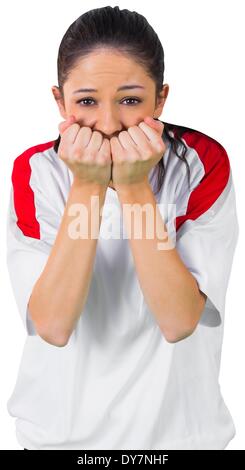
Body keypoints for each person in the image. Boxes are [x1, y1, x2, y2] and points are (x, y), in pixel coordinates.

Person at [6, 6, 239, 450]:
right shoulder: (35, 172)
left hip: (182, 437)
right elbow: (53, 325)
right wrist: (88, 185)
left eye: (130, 100)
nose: (109, 125)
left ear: (161, 99)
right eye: (87, 102)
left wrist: (133, 188)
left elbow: (179, 321)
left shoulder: (202, 163)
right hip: (59, 437)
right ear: (60, 101)